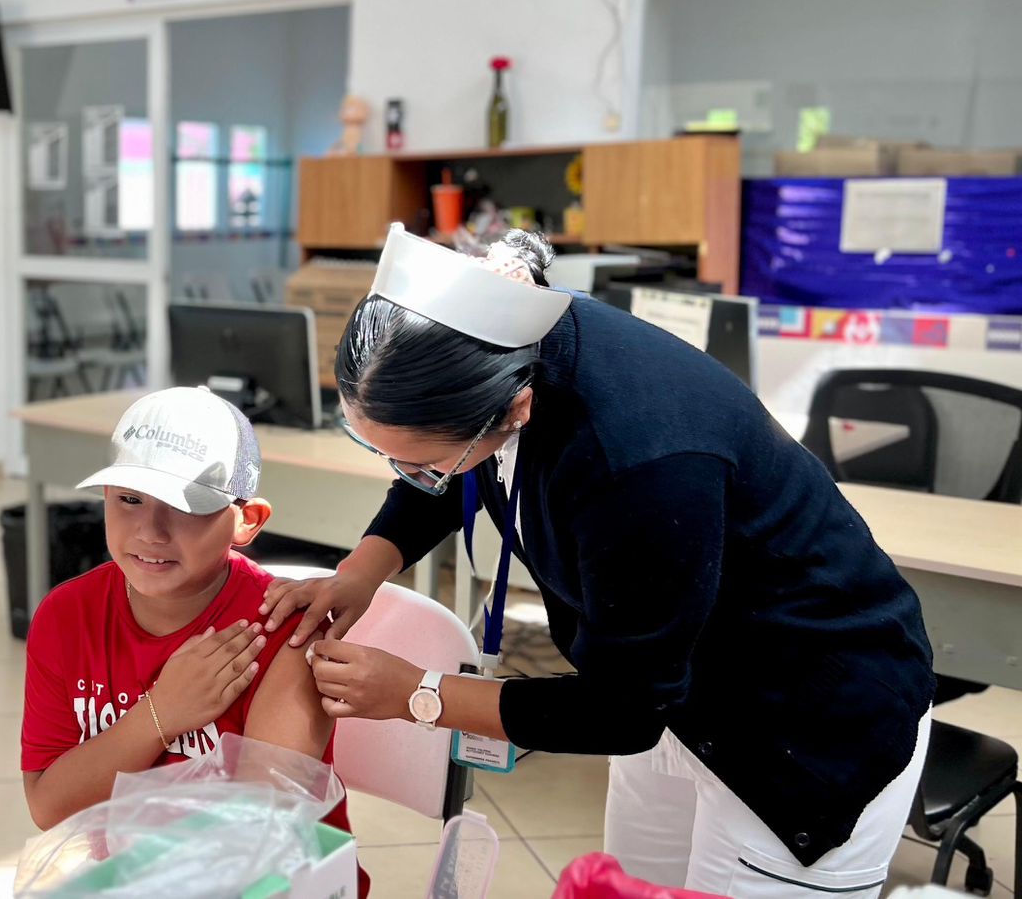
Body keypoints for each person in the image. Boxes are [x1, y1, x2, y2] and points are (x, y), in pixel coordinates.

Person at [260, 224, 936, 899]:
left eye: (421, 461)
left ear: (517, 408)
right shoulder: (497, 345)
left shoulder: (641, 462)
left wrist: (418, 693)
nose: (410, 474)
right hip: (674, 687)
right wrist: (359, 574)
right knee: (632, 885)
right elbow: (443, 466)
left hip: (802, 718)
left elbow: (623, 711)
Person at [20, 387, 367, 895]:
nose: (151, 531)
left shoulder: (285, 630)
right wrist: (162, 714)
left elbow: (256, 837)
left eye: (186, 506)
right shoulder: (65, 616)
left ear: (247, 520)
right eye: (130, 499)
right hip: (133, 879)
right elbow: (50, 806)